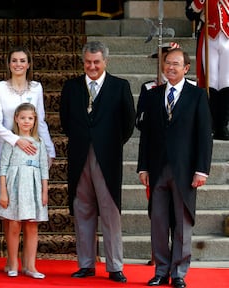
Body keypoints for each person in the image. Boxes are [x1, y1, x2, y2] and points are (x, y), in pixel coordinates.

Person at [59, 41, 135, 283]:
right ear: (83, 62)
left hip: (108, 157)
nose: (92, 66)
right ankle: (86, 264)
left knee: (110, 213)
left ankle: (115, 266)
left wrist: (109, 143)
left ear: (105, 62)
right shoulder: (71, 87)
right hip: (80, 154)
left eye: (97, 62)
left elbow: (128, 123)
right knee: (83, 210)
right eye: (88, 62)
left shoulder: (119, 86)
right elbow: (65, 121)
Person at [137, 48, 213, 288]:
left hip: (185, 171)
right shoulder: (152, 95)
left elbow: (204, 136)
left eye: (176, 64)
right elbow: (146, 135)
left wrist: (202, 170)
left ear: (186, 68)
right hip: (158, 169)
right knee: (158, 222)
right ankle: (160, 271)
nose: (170, 67)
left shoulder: (197, 95)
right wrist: (143, 167)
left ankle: (179, 272)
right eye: (167, 63)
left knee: (182, 223)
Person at [0, 46, 56, 272]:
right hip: (7, 147)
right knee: (9, 210)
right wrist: (16, 140)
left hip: (32, 147)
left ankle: (28, 264)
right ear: (9, 64)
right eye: (14, 60)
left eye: (22, 60)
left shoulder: (36, 87)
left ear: (28, 64)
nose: (18, 64)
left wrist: (48, 148)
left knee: (29, 214)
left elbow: (41, 120)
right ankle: (11, 261)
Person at [0, 103, 49, 279]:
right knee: (14, 226)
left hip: (32, 186)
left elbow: (44, 168)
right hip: (14, 184)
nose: (26, 121)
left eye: (30, 118)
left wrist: (44, 191)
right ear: (16, 119)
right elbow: (3, 167)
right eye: (23, 118)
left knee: (32, 226)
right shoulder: (12, 141)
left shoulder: (39, 142)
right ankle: (13, 263)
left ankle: (30, 266)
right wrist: (3, 192)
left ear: (35, 121)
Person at [186, 0, 229, 140]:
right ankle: (210, 124)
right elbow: (190, 14)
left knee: (226, 81)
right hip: (208, 37)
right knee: (211, 81)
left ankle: (222, 126)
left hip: (227, 38)